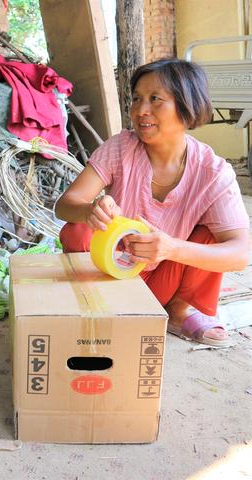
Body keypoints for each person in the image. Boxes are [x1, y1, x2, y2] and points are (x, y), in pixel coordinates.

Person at [55, 58, 250, 347]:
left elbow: (241, 253)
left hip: (163, 283)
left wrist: (171, 248)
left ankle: (179, 310)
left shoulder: (213, 172)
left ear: (187, 106)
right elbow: (65, 205)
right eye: (137, 99)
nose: (140, 110)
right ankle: (94, 304)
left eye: (155, 99)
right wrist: (90, 210)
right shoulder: (121, 147)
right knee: (77, 230)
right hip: (110, 276)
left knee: (212, 234)